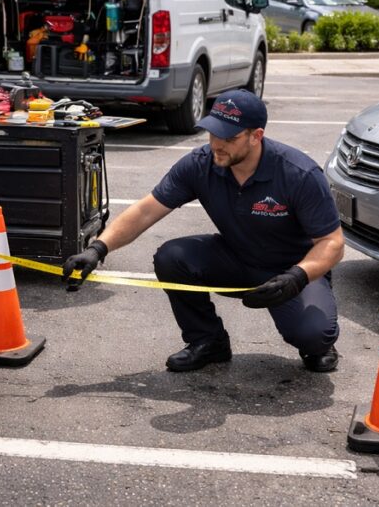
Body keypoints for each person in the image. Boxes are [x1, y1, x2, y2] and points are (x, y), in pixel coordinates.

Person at [62, 89, 345, 373]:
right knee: (172, 257)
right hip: (237, 257)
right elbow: (146, 210)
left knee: (313, 335)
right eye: (212, 133)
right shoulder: (201, 164)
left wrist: (298, 277)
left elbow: (332, 243)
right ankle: (208, 342)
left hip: (291, 270)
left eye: (229, 138)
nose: (217, 145)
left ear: (256, 136)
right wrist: (98, 249)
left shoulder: (299, 174)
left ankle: (319, 345)